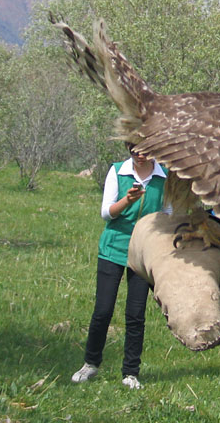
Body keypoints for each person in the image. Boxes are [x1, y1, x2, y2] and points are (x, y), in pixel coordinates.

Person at [71, 143, 168, 389]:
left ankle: (130, 373)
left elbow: (170, 214)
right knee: (103, 310)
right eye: (133, 150)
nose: (139, 155)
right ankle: (90, 364)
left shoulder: (164, 177)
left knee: (135, 315)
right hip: (113, 250)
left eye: (144, 150)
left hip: (142, 254)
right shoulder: (117, 171)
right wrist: (128, 200)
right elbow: (107, 213)